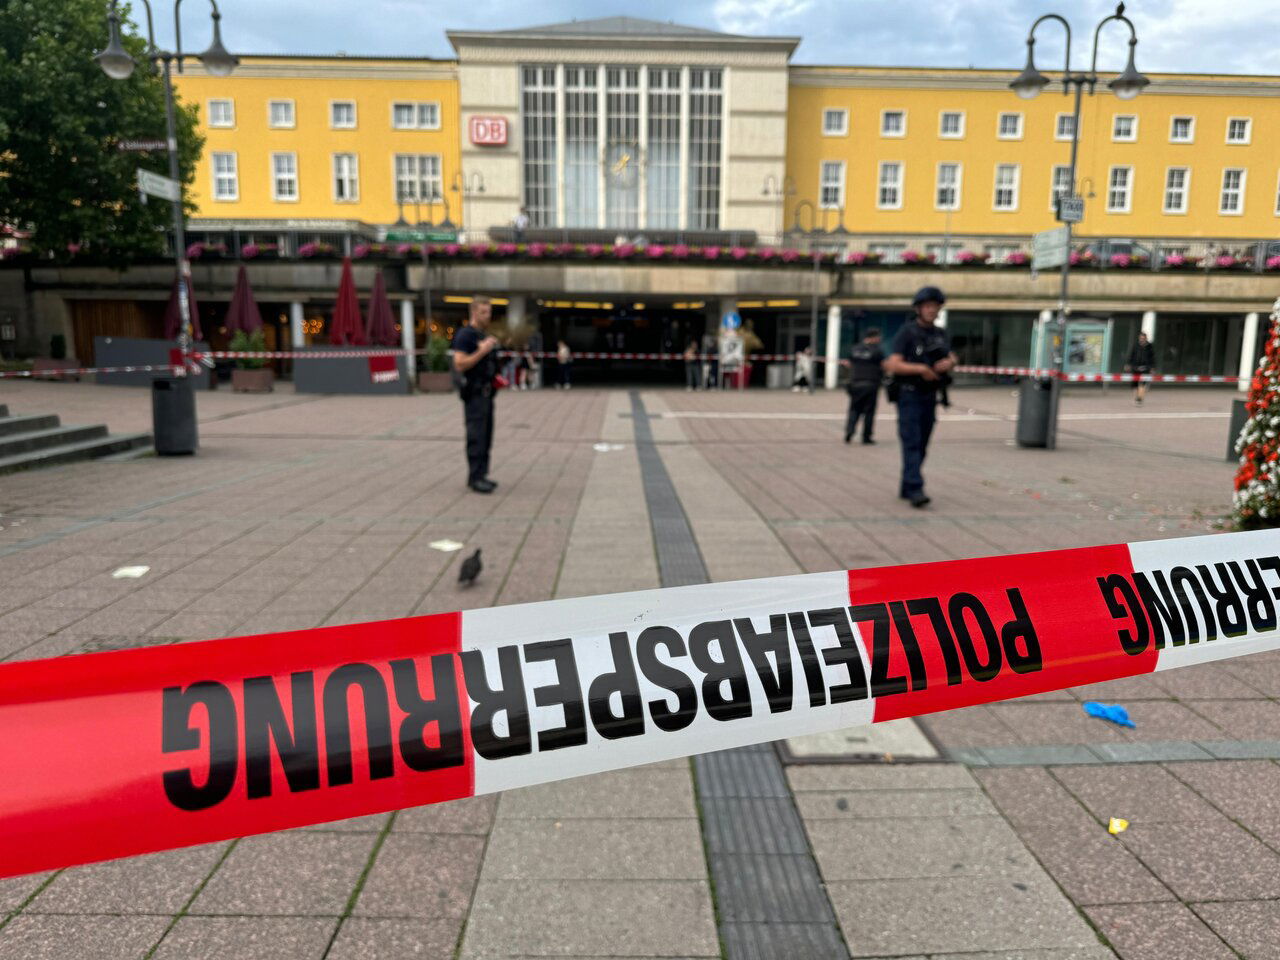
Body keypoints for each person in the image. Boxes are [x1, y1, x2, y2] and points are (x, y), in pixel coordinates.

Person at [885, 286, 957, 508]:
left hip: (930, 396)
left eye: (935, 306)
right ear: (918, 309)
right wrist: (920, 369)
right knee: (912, 442)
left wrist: (950, 362)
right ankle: (916, 488)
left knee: (923, 444)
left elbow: (952, 355)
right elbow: (893, 364)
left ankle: (907, 485)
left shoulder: (940, 333)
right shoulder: (907, 333)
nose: (931, 310)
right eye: (927, 306)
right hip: (909, 396)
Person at [450, 296, 501, 493]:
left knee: (486, 436)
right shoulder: (466, 335)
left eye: (489, 312)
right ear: (473, 313)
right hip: (474, 394)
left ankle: (482, 474)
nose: (487, 316)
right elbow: (460, 363)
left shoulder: (481, 334)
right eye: (483, 312)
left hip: (488, 393)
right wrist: (482, 351)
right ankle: (475, 477)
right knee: (476, 436)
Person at [841, 328, 885, 444]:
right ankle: (866, 437)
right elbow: (883, 366)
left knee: (854, 409)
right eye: (878, 337)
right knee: (869, 412)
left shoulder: (854, 349)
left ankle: (849, 432)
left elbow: (848, 364)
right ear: (873, 337)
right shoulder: (877, 351)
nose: (879, 339)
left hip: (855, 383)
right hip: (871, 384)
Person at [1125, 331, 1155, 404]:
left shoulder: (1149, 346)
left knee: (1142, 384)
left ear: (1146, 338)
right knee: (1134, 384)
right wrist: (1128, 364)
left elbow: (1152, 358)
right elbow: (1131, 355)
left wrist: (1152, 367)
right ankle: (1137, 397)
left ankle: (1139, 399)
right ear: (1139, 338)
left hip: (1145, 367)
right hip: (1136, 367)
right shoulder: (1135, 345)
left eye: (1143, 338)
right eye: (1140, 338)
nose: (1142, 339)